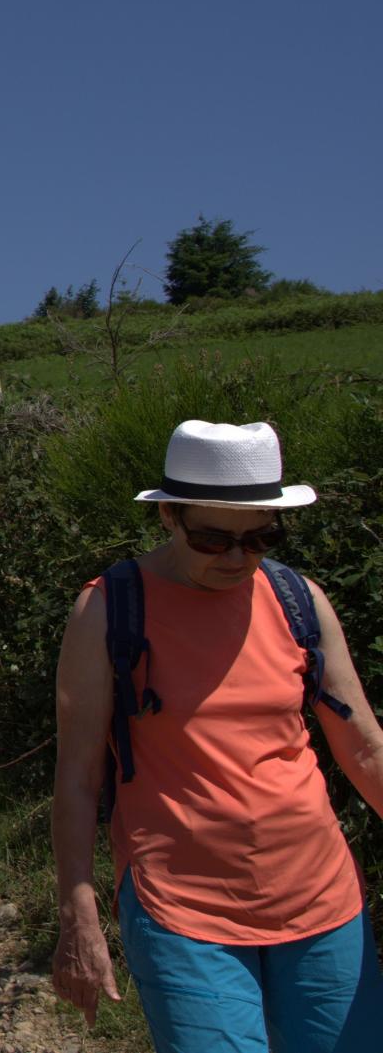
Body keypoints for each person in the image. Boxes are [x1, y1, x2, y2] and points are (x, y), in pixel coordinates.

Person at [51, 419, 383, 1052]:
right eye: (213, 538)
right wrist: (78, 911)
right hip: (183, 911)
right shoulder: (109, 610)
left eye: (260, 538)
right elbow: (78, 778)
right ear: (169, 518)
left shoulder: (298, 600)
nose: (237, 558)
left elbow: (363, 745)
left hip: (323, 901)